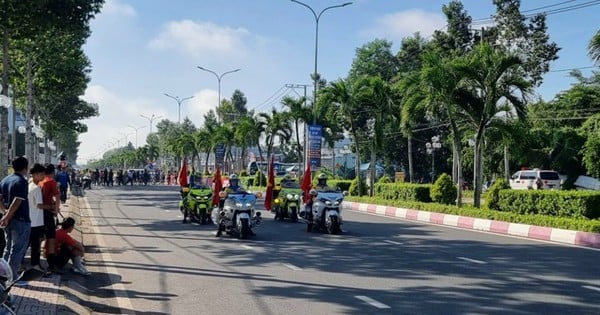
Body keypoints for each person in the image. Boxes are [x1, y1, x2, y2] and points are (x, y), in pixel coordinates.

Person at [0, 156, 31, 277]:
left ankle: (3, 276)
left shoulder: (5, 180)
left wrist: (5, 213)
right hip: (20, 220)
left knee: (8, 249)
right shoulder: (22, 181)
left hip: (9, 220)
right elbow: (17, 201)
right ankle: (11, 277)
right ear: (25, 167)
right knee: (17, 250)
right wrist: (7, 215)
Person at [27, 163, 55, 270]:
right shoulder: (36, 188)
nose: (43, 176)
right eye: (42, 174)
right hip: (37, 221)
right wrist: (51, 207)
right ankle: (35, 265)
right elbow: (39, 205)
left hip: (31, 220)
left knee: (30, 244)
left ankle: (31, 264)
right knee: (36, 246)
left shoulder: (29, 185)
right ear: (35, 174)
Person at [40, 163, 61, 273]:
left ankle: (39, 260)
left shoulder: (39, 181)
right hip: (48, 213)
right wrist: (56, 210)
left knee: (39, 237)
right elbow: (57, 197)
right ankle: (51, 264)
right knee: (51, 238)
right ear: (53, 172)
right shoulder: (51, 181)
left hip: (38, 213)